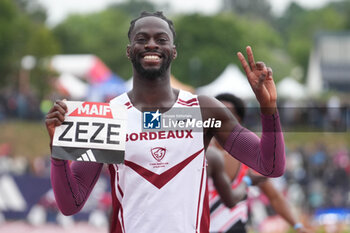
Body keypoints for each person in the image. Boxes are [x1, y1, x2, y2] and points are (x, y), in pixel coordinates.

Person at [45, 11, 286, 233]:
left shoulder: (203, 110)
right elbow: (70, 204)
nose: (151, 44)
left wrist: (268, 108)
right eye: (142, 38)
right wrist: (58, 153)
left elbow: (270, 166)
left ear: (173, 50)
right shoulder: (109, 115)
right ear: (129, 50)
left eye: (161, 39)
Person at [208, 93, 310, 233]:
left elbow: (274, 196)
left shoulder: (247, 156)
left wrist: (298, 226)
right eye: (215, 113)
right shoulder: (198, 152)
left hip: (235, 227)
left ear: (237, 120)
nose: (219, 118)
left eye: (225, 114)